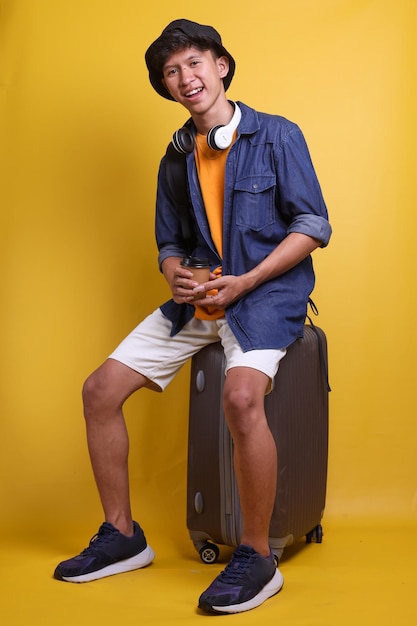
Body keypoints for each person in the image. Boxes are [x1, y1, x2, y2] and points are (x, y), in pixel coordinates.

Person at [54, 18, 331, 614]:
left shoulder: (278, 135)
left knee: (240, 399)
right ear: (167, 86)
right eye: (172, 72)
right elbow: (169, 241)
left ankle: (257, 557)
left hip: (263, 301)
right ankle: (123, 535)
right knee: (98, 391)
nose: (185, 78)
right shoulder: (175, 157)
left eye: (195, 63)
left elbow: (313, 226)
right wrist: (174, 271)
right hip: (198, 304)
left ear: (221, 66)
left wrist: (250, 279)